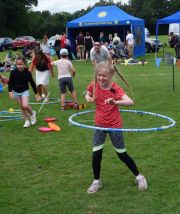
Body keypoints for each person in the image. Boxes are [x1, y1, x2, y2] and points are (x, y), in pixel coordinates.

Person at [85, 62, 148, 193]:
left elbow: (130, 102)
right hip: (99, 125)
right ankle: (97, 181)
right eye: (99, 75)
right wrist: (88, 97)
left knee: (122, 154)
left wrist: (115, 102)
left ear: (111, 75)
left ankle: (139, 177)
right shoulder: (95, 85)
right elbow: (88, 93)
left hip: (114, 125)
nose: (101, 78)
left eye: (104, 76)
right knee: (96, 154)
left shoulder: (115, 88)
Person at [8, 56, 38, 128]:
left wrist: (36, 93)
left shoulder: (27, 73)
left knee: (25, 105)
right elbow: (10, 83)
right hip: (16, 92)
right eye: (18, 64)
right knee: (22, 107)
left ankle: (32, 115)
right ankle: (27, 121)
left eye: (21, 64)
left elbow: (32, 83)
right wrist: (10, 92)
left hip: (24, 91)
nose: (19, 66)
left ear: (24, 64)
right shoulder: (13, 72)